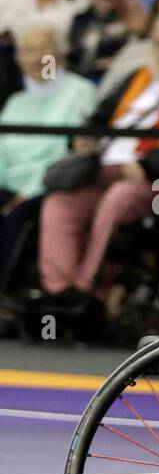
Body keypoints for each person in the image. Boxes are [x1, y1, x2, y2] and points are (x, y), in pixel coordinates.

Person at [37, 11, 159, 326]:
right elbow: (98, 119)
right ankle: (59, 293)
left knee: (119, 197)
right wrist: (84, 141)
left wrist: (148, 166)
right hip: (102, 170)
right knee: (60, 203)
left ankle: (89, 291)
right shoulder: (137, 79)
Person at [0, 24, 98, 299]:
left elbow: (68, 153)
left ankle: (7, 298)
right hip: (10, 185)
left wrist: (26, 192)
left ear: (59, 52)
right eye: (26, 50)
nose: (34, 58)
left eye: (42, 49)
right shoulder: (15, 102)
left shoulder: (81, 92)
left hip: (50, 186)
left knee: (18, 217)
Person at [67, 0, 141, 83]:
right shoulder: (79, 21)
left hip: (122, 82)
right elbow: (72, 58)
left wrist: (116, 62)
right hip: (83, 83)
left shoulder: (132, 19)